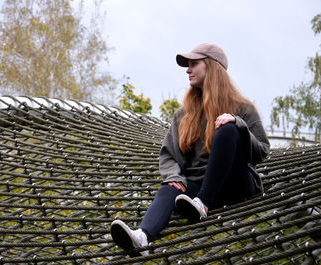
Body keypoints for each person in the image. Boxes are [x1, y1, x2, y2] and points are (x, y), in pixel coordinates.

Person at [110, 43, 270, 256]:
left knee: (227, 128)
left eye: (194, 64)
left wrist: (238, 124)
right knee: (170, 187)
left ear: (212, 67)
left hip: (235, 185)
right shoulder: (184, 114)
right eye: (187, 65)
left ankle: (203, 202)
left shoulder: (242, 107)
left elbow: (263, 151)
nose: (188, 69)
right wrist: (173, 176)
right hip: (193, 192)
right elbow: (168, 154)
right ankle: (143, 236)